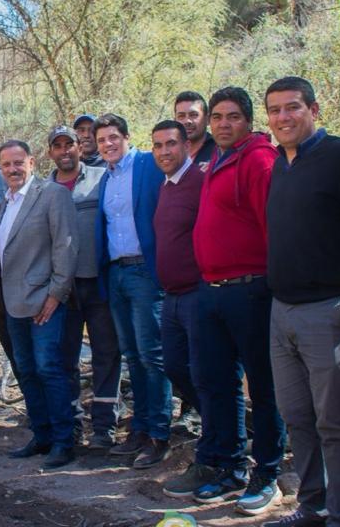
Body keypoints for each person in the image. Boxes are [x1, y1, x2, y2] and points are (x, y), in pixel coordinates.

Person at [261, 76, 340, 527]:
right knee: (297, 417)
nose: (283, 117)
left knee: (336, 423)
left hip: (330, 310)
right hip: (281, 311)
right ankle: (313, 506)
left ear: (315, 110)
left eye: (292, 108)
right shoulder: (279, 165)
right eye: (275, 110)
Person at [189, 87, 287, 515]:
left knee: (263, 387)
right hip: (211, 291)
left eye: (232, 117)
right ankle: (229, 468)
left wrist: (271, 286)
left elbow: (273, 227)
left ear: (248, 120)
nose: (223, 124)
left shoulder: (260, 159)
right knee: (217, 384)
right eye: (218, 118)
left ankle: (268, 474)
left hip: (250, 290)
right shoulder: (218, 160)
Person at [0, 140, 78, 469]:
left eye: (18, 163)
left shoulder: (52, 194)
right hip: (14, 303)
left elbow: (66, 247)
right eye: (6, 165)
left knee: (49, 369)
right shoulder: (5, 202)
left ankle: (63, 442)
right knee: (26, 371)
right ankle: (41, 435)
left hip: (46, 302)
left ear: (31, 162)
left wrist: (57, 294)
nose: (13, 170)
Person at [93, 113, 172, 469]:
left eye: (113, 137)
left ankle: (159, 434)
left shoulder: (147, 164)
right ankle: (139, 429)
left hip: (145, 271)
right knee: (132, 355)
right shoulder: (104, 180)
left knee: (152, 355)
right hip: (117, 274)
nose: (107, 145)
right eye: (101, 141)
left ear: (127, 137)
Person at [148, 120, 215, 497]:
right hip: (170, 295)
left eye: (171, 144)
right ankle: (214, 428)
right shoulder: (166, 185)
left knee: (207, 373)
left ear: (187, 145)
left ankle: (217, 451)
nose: (164, 152)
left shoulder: (200, 182)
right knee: (174, 367)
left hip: (198, 293)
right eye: (157, 145)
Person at [47, 125, 121, 448]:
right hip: (63, 289)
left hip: (99, 283)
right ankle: (72, 421)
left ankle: (104, 426)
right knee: (66, 358)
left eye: (70, 144)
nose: (64, 151)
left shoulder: (100, 178)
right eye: (57, 146)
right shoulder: (43, 189)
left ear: (80, 146)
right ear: (50, 152)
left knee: (107, 353)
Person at [173, 91, 217, 167]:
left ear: (207, 119)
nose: (187, 121)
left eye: (193, 115)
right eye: (181, 116)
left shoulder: (219, 151)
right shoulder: (169, 153)